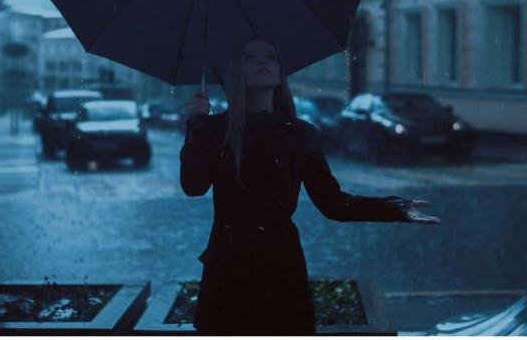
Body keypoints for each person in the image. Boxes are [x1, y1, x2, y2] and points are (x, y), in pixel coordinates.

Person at [180, 37, 441, 335]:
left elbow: (334, 203)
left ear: (280, 72)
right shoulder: (215, 130)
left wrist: (393, 208)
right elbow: (193, 185)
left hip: (279, 267)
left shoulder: (299, 134)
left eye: (271, 56)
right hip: (227, 269)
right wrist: (196, 127)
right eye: (249, 57)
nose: (263, 61)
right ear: (233, 72)